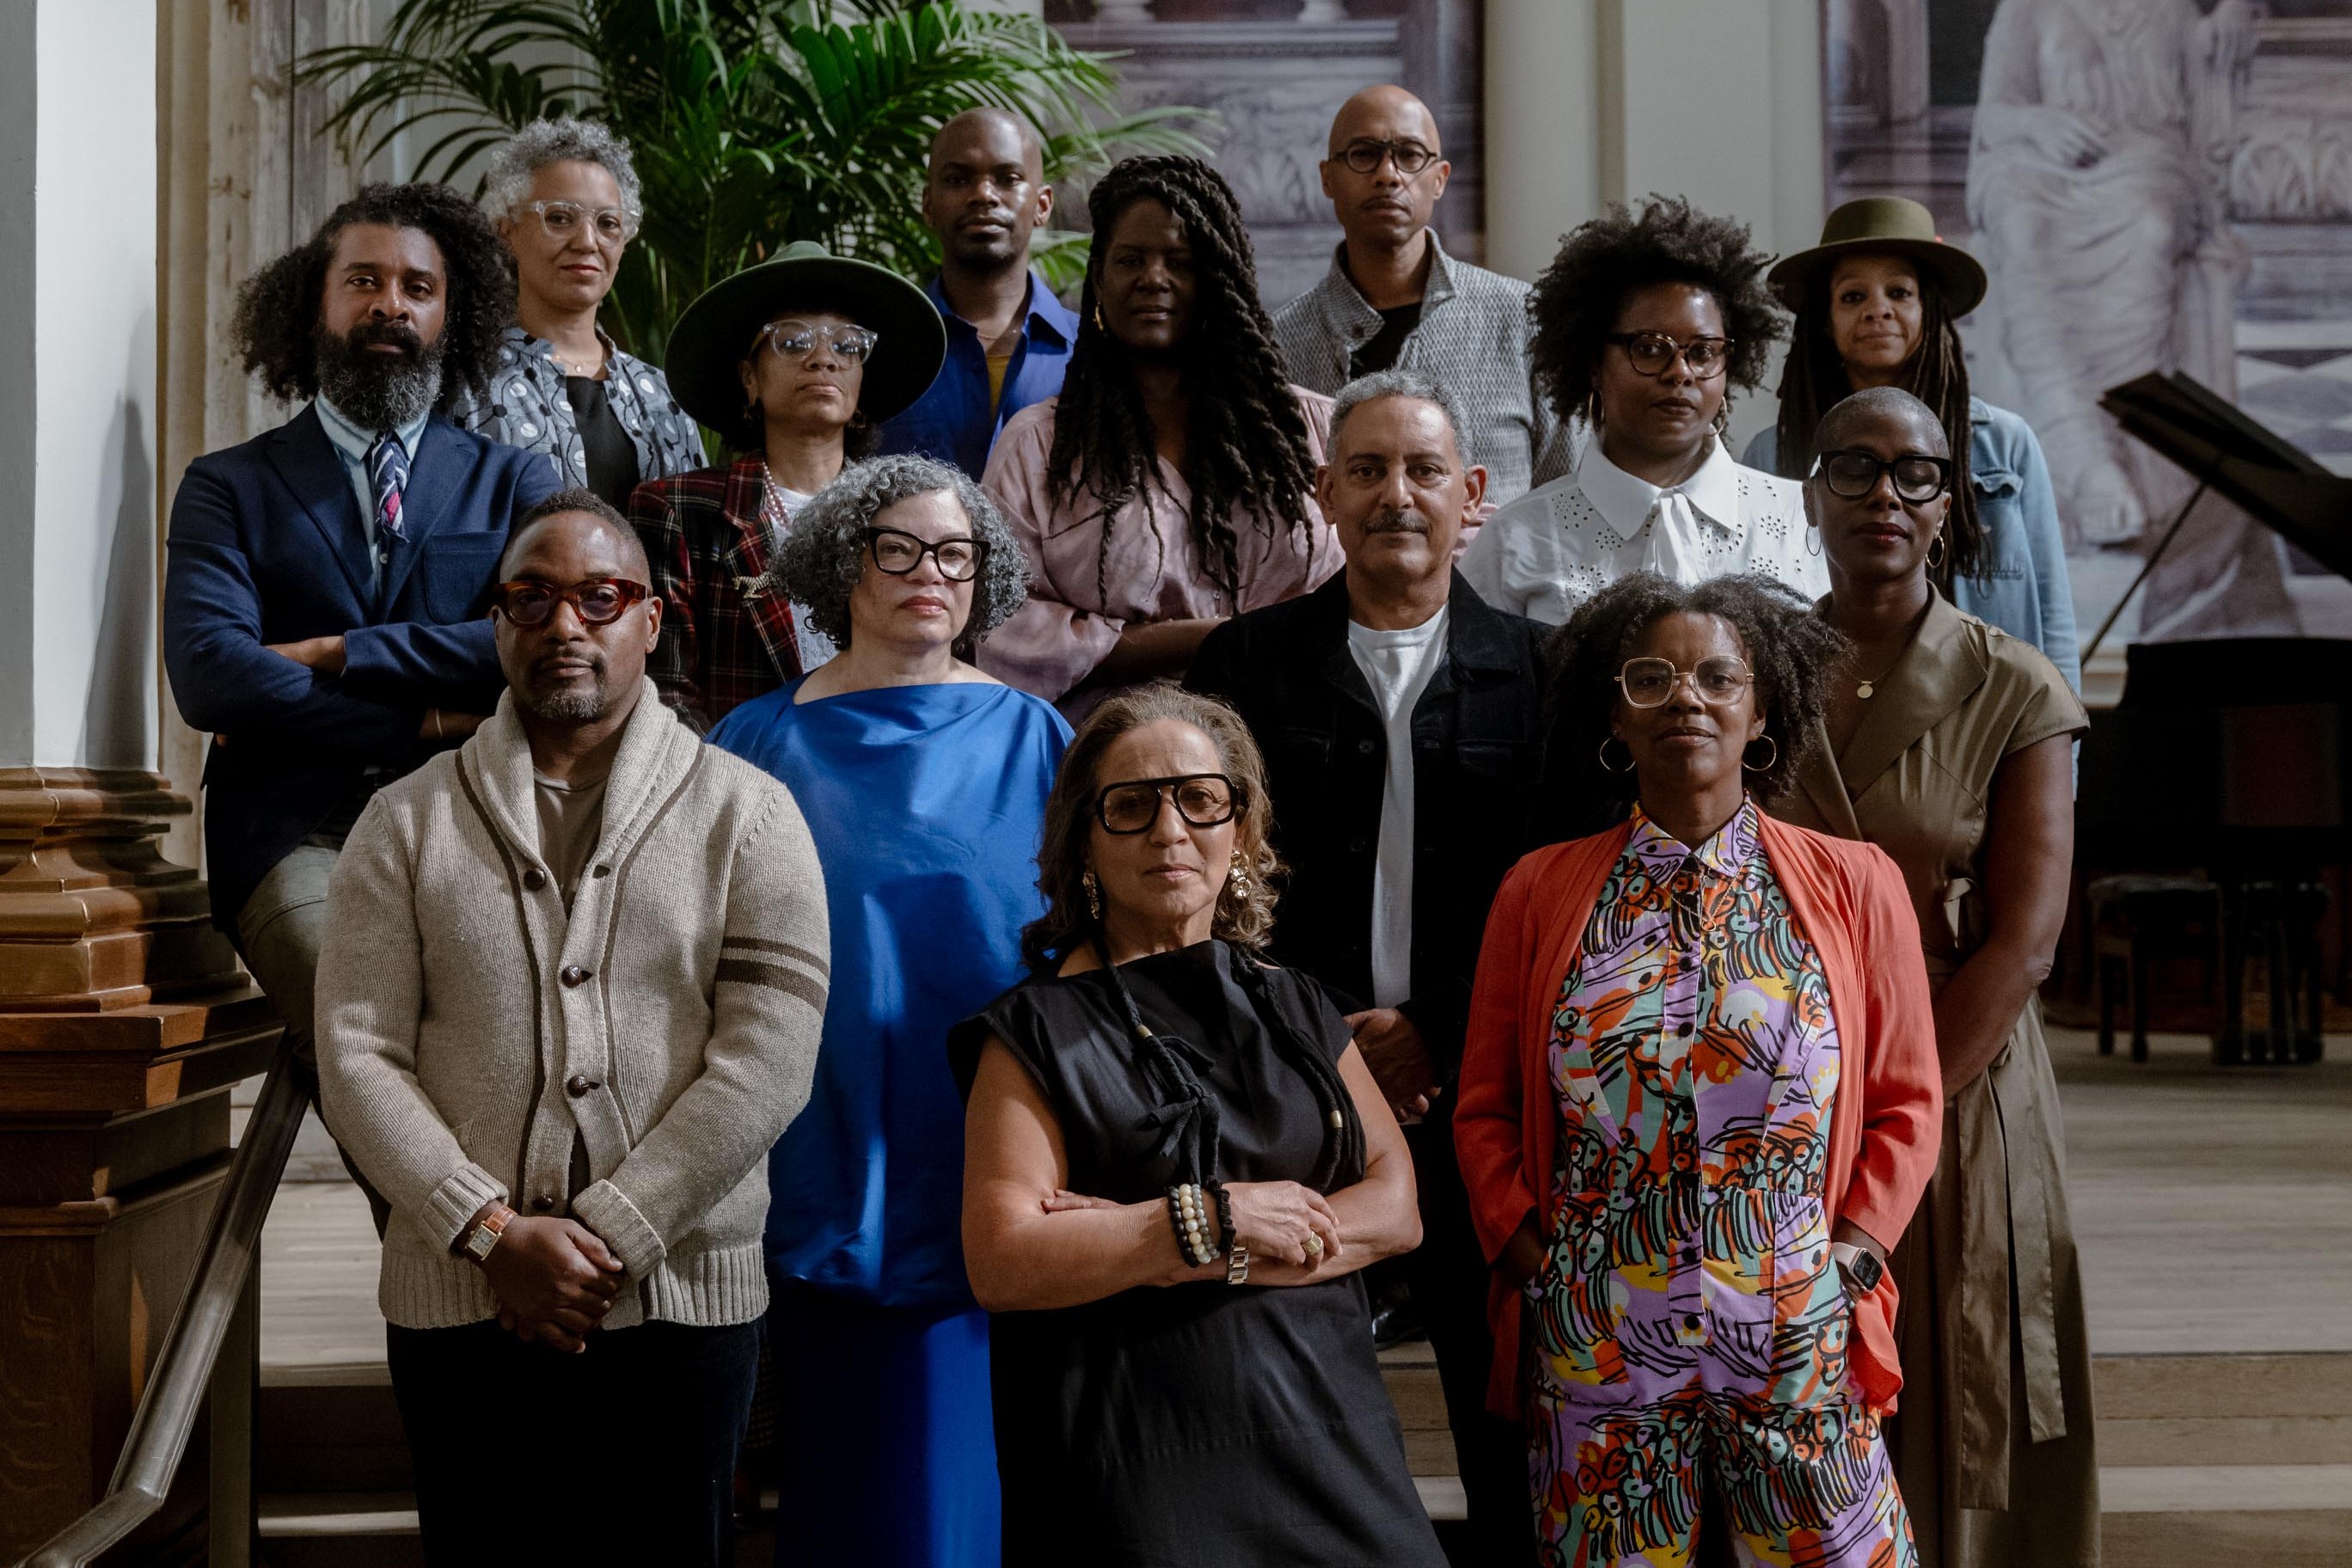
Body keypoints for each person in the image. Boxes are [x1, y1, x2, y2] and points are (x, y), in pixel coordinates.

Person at [314, 493, 830, 1567]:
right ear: (498, 623)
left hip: (682, 1298)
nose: (566, 625)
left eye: (602, 597)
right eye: (532, 598)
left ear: (651, 619)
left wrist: (617, 1232)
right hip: (462, 1303)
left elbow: (771, 1052)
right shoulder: (402, 821)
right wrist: (493, 1235)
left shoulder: (752, 812)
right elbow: (357, 1054)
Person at [1455, 573, 1944, 1563]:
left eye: (1720, 678)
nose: (1688, 697)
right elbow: (1484, 1111)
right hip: (1600, 1327)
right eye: (1653, 678)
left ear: (1762, 712)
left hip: (1796, 1318)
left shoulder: (1856, 885)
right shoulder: (1540, 891)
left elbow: (1906, 1103)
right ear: (1614, 714)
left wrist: (1845, 1268)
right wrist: (1543, 1271)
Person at [1185, 369, 1553, 1563]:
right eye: (1370, 470)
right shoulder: (1242, 668)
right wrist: (1328, 1042)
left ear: (1475, 495)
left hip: (1484, 1095)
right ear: (1324, 492)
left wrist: (1433, 1027)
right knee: (1296, 1406)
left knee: (1504, 1402)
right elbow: (1211, 885)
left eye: (1425, 470)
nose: (1399, 494)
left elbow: (1557, 900)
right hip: (1291, 1090)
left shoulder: (1548, 675)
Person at [951, 685, 1448, 1565]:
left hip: (1329, 1433)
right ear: (1084, 844)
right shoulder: (1029, 1032)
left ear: (1240, 832)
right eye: (1132, 806)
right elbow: (1004, 1260)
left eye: (1200, 800)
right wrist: (1216, 1218)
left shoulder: (1294, 1001)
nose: (1170, 831)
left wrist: (1165, 1243)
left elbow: (1398, 1205)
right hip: (1139, 1462)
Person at [163, 182, 558, 1231]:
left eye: (417, 287)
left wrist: (348, 650)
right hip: (293, 831)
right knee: (362, 1021)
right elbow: (209, 673)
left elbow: (542, 639)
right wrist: (430, 717)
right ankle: (469, 1257)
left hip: (476, 824)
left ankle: (472, 1275)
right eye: (364, 282)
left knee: (511, 1032)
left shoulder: (515, 482)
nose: (391, 304)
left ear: (451, 314)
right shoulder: (228, 485)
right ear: (316, 307)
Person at [705, 456, 1064, 1568]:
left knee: (974, 1488)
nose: (927, 573)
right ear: (840, 566)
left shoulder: (1042, 736)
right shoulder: (754, 740)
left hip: (993, 1125)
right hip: (819, 1126)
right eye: (896, 548)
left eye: (952, 553)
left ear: (983, 574)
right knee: (850, 1479)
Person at [1775, 387, 2097, 1568]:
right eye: (1853, 469)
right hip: (1778, 1095)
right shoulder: (1754, 669)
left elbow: (2025, 941)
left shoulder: (2014, 685)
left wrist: (1887, 1117)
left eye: (1915, 475)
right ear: (1810, 496)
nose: (1883, 496)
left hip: (1955, 1094)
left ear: (1948, 507)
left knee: (1964, 1394)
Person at [979, 156, 1341, 718]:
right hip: (1113, 763)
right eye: (1130, 260)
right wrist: (1218, 640)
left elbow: (1376, 582)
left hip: (1302, 745)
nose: (1154, 277)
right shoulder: (1037, 451)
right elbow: (999, 627)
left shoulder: (1314, 432)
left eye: (1180, 261)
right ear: (1099, 278)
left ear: (1218, 279)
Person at [1745, 196, 2079, 693]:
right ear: (1824, 319)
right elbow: (1752, 619)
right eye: (1853, 297)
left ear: (1930, 310)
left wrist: (2061, 757)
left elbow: (2052, 618)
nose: (1878, 310)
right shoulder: (1771, 456)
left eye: (1899, 292)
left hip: (1983, 719)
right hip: (1828, 717)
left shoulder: (2004, 445)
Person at [1459, 196, 1823, 625]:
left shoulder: (1800, 519)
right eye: (1649, 349)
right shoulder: (1514, 538)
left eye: (1703, 352)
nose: (1680, 372)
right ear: (1594, 363)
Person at [630, 241, 947, 731]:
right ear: (749, 379)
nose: (824, 358)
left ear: (862, 384)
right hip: (734, 781)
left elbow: (935, 671)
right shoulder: (679, 509)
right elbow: (666, 692)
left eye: (847, 345)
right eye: (793, 341)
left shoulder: (907, 516)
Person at [1274, 86, 1572, 508]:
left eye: (1410, 155)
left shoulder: (1523, 318)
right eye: (1363, 154)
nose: (1388, 174)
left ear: (1440, 179)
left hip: (1497, 576)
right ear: (1327, 177)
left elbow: (1566, 496)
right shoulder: (1279, 345)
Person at [451, 117, 705, 510]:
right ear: (505, 229)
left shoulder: (664, 398)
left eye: (608, 224)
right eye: (559, 218)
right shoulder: (465, 387)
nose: (587, 242)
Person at [877, 108, 1080, 477]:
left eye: (1008, 178)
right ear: (928, 205)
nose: (984, 195)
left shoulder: (1094, 352)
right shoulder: (884, 351)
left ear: (1043, 204)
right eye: (957, 180)